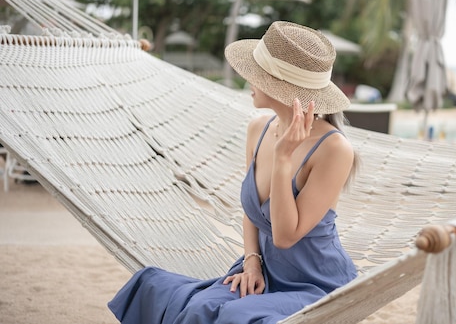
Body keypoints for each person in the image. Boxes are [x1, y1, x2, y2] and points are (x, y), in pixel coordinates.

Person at [108, 21, 358, 324]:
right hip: (263, 273)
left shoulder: (334, 150)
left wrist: (282, 160)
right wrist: (252, 262)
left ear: (279, 85)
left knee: (233, 316)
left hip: (317, 284)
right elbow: (252, 213)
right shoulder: (258, 129)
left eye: (256, 73)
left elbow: (284, 236)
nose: (246, 79)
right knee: (167, 291)